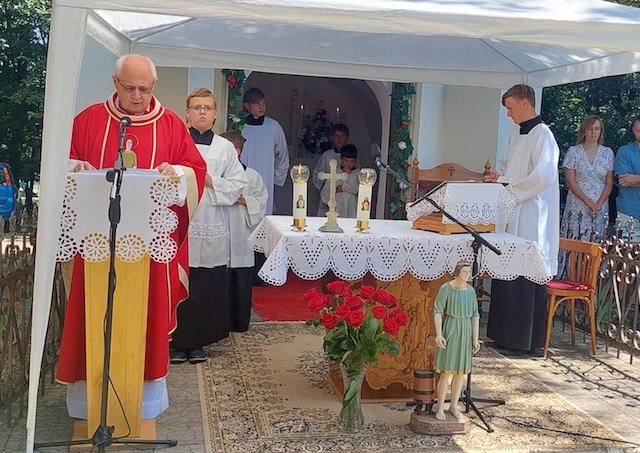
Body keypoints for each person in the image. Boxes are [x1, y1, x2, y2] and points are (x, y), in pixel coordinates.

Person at [58, 54, 207, 418]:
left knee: (145, 318)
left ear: (153, 85)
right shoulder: (89, 120)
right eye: (130, 88)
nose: (138, 96)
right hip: (95, 248)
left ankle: (142, 402)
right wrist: (74, 167)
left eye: (145, 88)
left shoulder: (171, 124)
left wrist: (178, 173)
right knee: (92, 315)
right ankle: (90, 402)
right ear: (115, 83)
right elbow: (61, 160)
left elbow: (196, 170)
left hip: (147, 252)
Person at [170, 88, 248, 364]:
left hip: (212, 218)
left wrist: (209, 180)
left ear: (215, 114)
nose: (202, 112)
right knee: (180, 279)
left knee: (206, 282)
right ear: (187, 113)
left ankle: (198, 341)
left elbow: (238, 184)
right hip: (181, 219)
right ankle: (176, 340)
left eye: (207, 108)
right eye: (197, 107)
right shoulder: (177, 142)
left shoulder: (224, 148)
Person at [483, 84, 560, 353]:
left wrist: (511, 186)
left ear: (525, 103)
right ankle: (503, 335)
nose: (508, 114)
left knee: (525, 272)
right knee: (507, 269)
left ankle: (523, 340)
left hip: (531, 214)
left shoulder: (544, 135)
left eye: (511, 108)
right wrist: (500, 177)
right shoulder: (516, 132)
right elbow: (507, 167)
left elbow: (543, 176)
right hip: (512, 210)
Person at [221, 131, 268, 332]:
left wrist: (242, 200)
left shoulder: (252, 176)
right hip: (220, 232)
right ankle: (218, 323)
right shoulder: (215, 175)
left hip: (241, 232)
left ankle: (239, 322)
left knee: (239, 280)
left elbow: (261, 200)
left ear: (237, 151)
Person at [433, 261, 480, 421]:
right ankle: (439, 407)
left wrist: (475, 338)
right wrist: (439, 334)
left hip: (465, 332)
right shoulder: (446, 288)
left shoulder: (471, 291)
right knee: (446, 372)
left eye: (469, 271)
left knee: (460, 372)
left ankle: (453, 405)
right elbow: (438, 311)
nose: (468, 274)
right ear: (457, 272)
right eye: (465, 271)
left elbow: (475, 315)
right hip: (451, 330)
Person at [560, 116, 614, 243]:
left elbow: (609, 182)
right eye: (590, 129)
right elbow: (570, 182)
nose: (593, 132)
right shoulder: (573, 152)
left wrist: (598, 205)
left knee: (595, 241)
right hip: (578, 203)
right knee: (575, 239)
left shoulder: (608, 153)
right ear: (584, 131)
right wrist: (589, 203)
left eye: (597, 129)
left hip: (600, 204)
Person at [240, 87, 289, 215]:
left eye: (263, 103)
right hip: (243, 176)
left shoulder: (273, 127)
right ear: (247, 106)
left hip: (265, 176)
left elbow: (282, 153)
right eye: (257, 104)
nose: (261, 107)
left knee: (263, 210)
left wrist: (277, 177)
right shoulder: (240, 127)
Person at [312, 123, 350, 216]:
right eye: (336, 136)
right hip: (328, 194)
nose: (339, 139)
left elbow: (355, 174)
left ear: (347, 138)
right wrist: (325, 186)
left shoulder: (351, 155)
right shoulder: (327, 155)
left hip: (345, 194)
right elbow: (318, 175)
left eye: (342, 136)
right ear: (332, 138)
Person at [615, 116, 640, 238]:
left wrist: (634, 179)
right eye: (638, 131)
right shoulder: (624, 151)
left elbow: (630, 181)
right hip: (628, 210)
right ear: (633, 130)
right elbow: (623, 181)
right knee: (626, 249)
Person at [320, 144, 359, 218]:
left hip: (351, 206)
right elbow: (325, 194)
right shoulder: (335, 172)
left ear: (355, 161)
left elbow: (356, 189)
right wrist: (334, 190)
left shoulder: (357, 174)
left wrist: (343, 187)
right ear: (341, 159)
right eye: (346, 160)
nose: (348, 164)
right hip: (337, 205)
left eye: (351, 161)